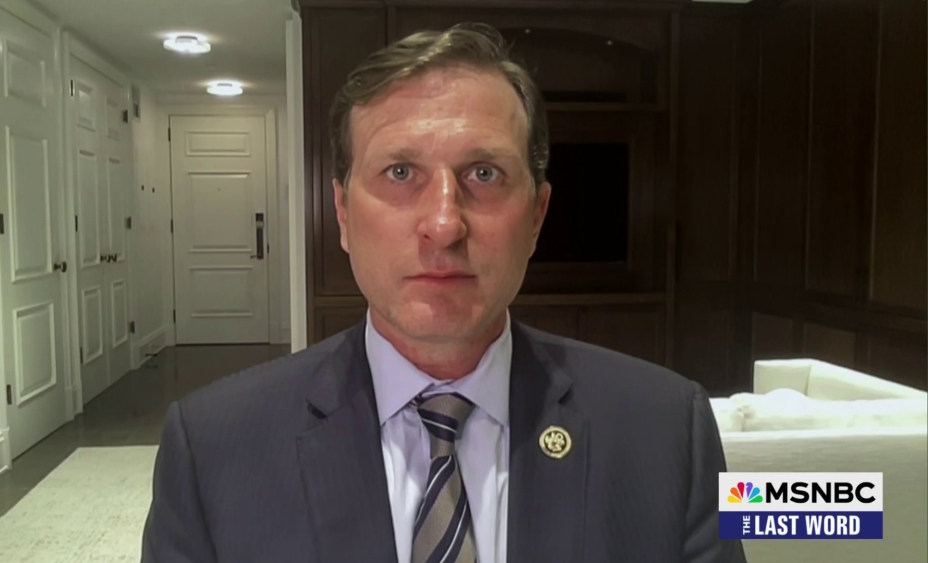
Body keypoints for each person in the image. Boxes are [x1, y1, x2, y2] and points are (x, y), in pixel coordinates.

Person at [142, 22, 746, 563]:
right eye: (400, 173)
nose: (444, 224)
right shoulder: (212, 447)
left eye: (484, 174)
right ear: (343, 214)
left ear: (537, 216)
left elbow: (786, 516)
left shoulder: (669, 431)